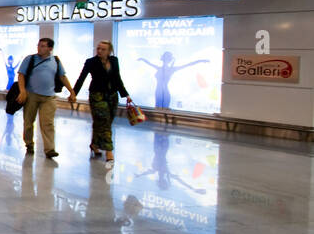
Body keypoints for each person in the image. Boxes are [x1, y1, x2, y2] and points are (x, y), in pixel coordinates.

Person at [70, 40, 130, 170]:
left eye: (103, 49)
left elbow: (117, 78)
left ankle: (94, 145)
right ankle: (109, 151)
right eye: (98, 48)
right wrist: (73, 93)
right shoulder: (91, 62)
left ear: (109, 51)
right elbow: (81, 77)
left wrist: (126, 95)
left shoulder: (114, 61)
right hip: (97, 95)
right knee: (104, 122)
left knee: (102, 122)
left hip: (112, 95)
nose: (100, 51)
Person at [14, 37, 74, 159]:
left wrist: (72, 92)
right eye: (39, 45)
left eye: (43, 46)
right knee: (29, 122)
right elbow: (21, 75)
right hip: (31, 95)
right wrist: (22, 91)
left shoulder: (55, 61)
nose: (39, 48)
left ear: (50, 48)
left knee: (48, 123)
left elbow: (62, 77)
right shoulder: (30, 59)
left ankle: (50, 149)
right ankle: (29, 144)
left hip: (49, 97)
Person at [139, 51, 209, 109]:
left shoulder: (171, 69)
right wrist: (142, 59)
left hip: (164, 92)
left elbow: (189, 64)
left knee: (163, 110)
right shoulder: (160, 68)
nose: (165, 60)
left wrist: (201, 60)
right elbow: (148, 63)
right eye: (165, 58)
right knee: (158, 109)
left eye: (167, 58)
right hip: (158, 92)